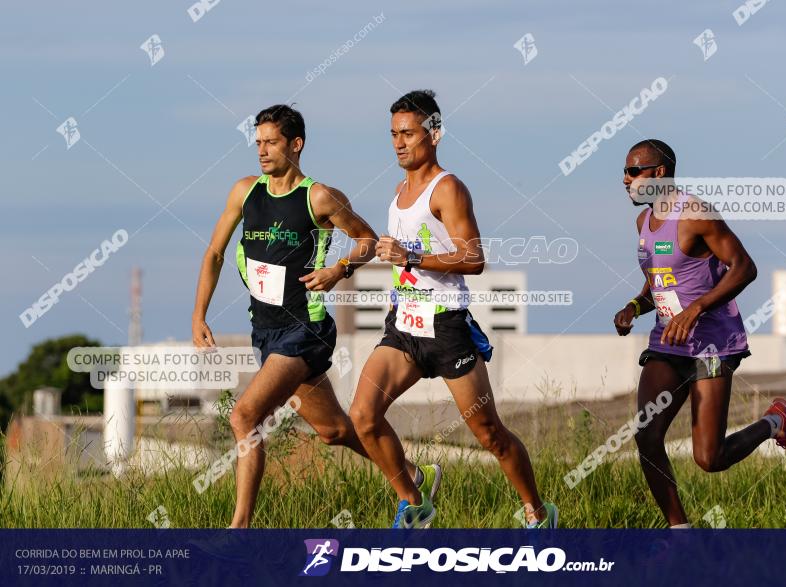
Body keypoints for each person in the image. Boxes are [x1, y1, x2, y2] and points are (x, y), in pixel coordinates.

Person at [192, 104, 435, 528]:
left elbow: (366, 240)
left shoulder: (318, 197)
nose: (262, 151)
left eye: (271, 142)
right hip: (264, 331)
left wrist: (338, 270)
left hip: (306, 329)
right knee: (334, 431)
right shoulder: (245, 191)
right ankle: (414, 477)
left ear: (295, 144)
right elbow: (214, 253)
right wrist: (199, 315)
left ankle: (240, 530)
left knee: (244, 416)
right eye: (259, 143)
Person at [350, 90, 558, 529]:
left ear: (435, 133)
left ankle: (538, 514)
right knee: (364, 418)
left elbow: (474, 258)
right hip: (404, 327)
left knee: (489, 434)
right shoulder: (398, 192)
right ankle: (415, 501)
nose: (399, 143)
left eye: (408, 133)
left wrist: (409, 257)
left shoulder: (448, 188)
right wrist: (396, 288)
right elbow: (402, 265)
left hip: (446, 329)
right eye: (393, 135)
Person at [613, 139, 786, 527]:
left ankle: (776, 421)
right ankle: (681, 535)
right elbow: (660, 285)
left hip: (712, 344)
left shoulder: (696, 213)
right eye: (624, 172)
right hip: (668, 344)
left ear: (659, 173)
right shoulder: (642, 223)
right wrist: (634, 307)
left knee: (709, 458)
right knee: (646, 437)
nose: (626, 180)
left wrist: (697, 308)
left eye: (633, 172)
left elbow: (744, 267)